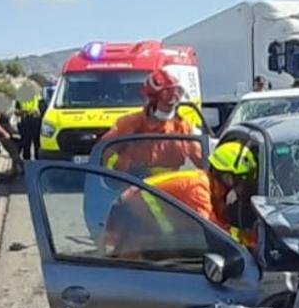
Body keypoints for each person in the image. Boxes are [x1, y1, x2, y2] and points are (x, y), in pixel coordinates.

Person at [103, 141, 259, 256]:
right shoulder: (199, 188)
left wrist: (245, 235)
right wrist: (248, 243)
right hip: (131, 211)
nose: (240, 187)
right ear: (226, 177)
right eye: (239, 180)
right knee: (131, 266)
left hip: (140, 213)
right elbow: (214, 230)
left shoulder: (211, 187)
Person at [96, 68, 202, 176]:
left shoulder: (183, 128)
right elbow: (103, 152)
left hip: (165, 189)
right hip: (128, 184)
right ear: (152, 99)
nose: (170, 105)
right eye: (165, 100)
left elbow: (202, 161)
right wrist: (125, 167)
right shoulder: (129, 124)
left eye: (173, 101)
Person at [0, 96, 23, 174]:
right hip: (0, 134)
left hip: (8, 132)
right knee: (11, 145)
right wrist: (4, 133)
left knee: (22, 140)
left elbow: (14, 112)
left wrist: (23, 112)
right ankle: (18, 165)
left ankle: (15, 165)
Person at [17, 91, 43, 161]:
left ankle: (36, 161)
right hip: (27, 121)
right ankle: (28, 162)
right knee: (27, 144)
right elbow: (16, 111)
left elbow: (43, 109)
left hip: (34, 121)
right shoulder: (21, 98)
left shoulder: (37, 97)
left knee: (36, 143)